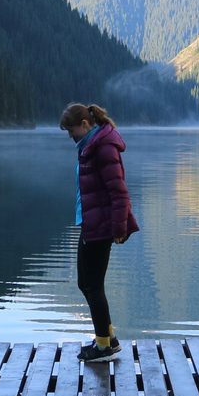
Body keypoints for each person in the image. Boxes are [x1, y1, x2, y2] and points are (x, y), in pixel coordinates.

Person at [59, 102, 140, 363]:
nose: (71, 137)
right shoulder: (91, 146)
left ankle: (104, 345)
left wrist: (118, 228)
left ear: (85, 124)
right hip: (92, 221)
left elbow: (119, 191)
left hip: (101, 225)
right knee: (89, 283)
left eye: (72, 131)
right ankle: (108, 338)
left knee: (91, 284)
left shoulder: (102, 147)